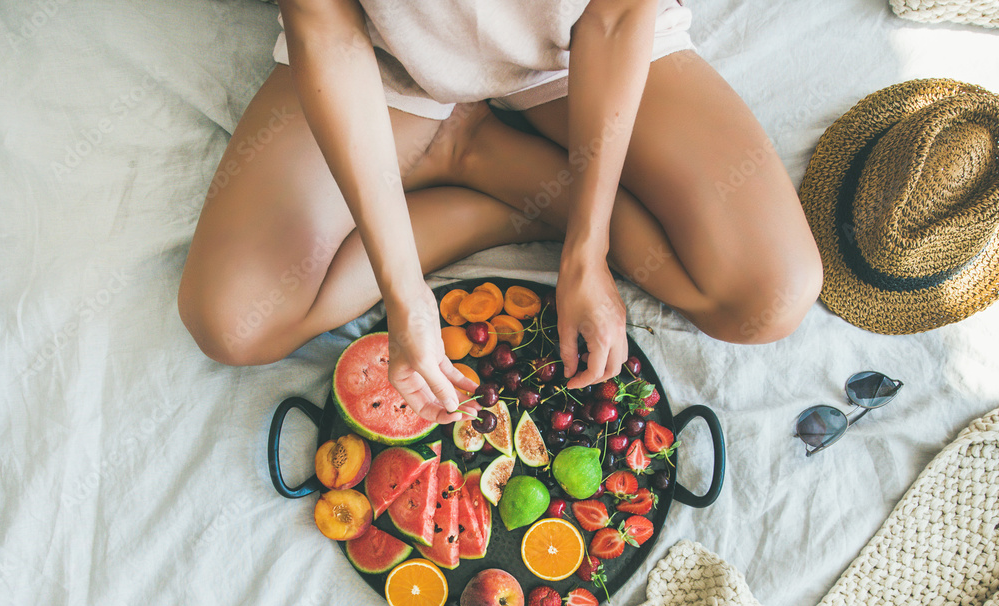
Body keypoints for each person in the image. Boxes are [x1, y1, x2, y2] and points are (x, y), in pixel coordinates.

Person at [177, 0, 823, 426]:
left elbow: (617, 15)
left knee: (769, 296)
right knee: (235, 323)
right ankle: (480, 158)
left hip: (576, 43)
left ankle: (486, 160)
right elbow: (327, 31)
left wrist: (587, 251)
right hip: (385, 59)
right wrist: (404, 294)